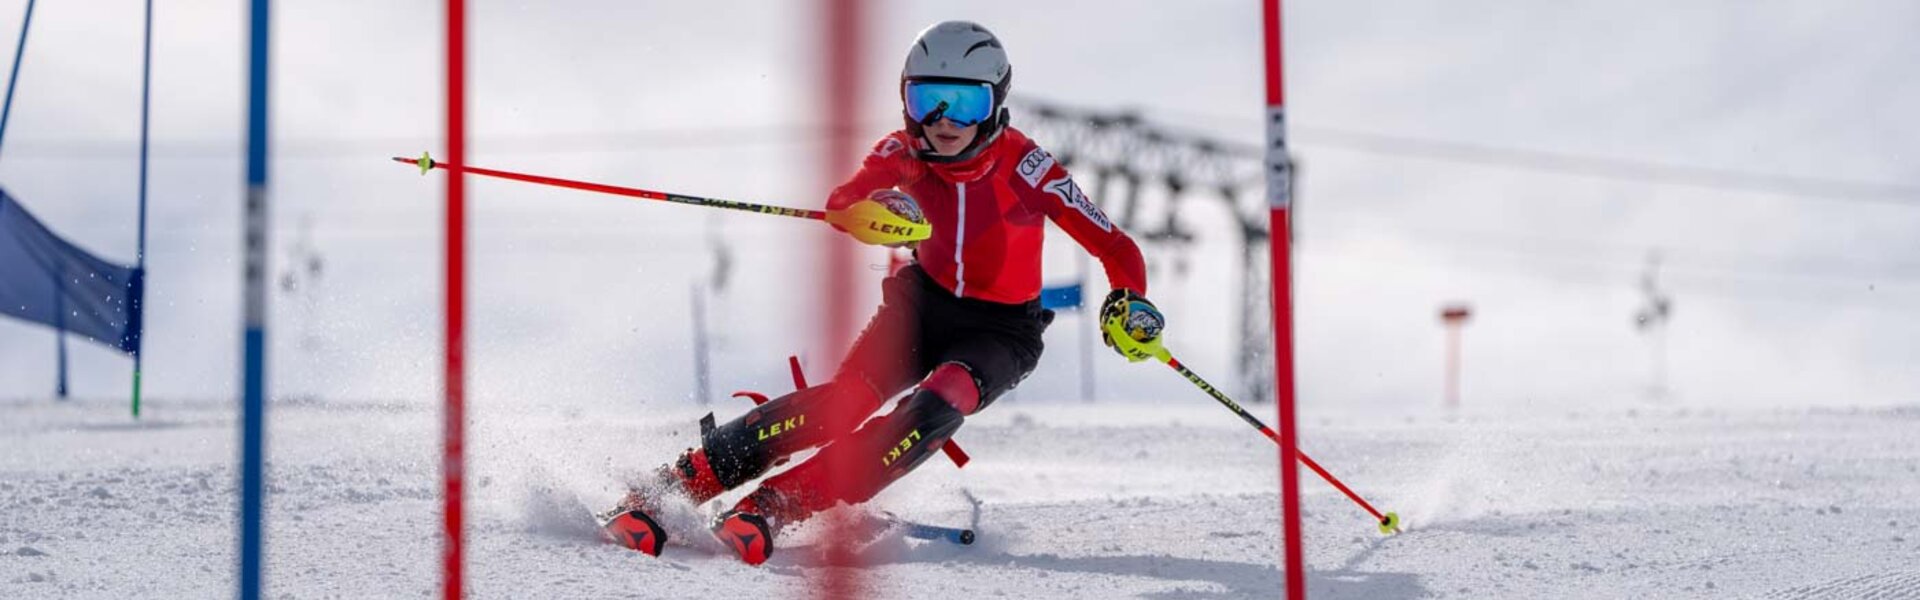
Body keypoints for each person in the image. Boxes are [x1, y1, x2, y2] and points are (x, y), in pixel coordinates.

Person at [603, 20, 1168, 566]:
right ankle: (672, 487)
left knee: (939, 402)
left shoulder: (1031, 168)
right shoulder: (904, 151)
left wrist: (1130, 302)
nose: (945, 121)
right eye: (928, 101)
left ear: (995, 105)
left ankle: (773, 509)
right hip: (922, 304)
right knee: (844, 403)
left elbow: (1119, 251)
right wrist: (859, 212)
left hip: (1001, 330)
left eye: (965, 104)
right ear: (906, 101)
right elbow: (848, 195)